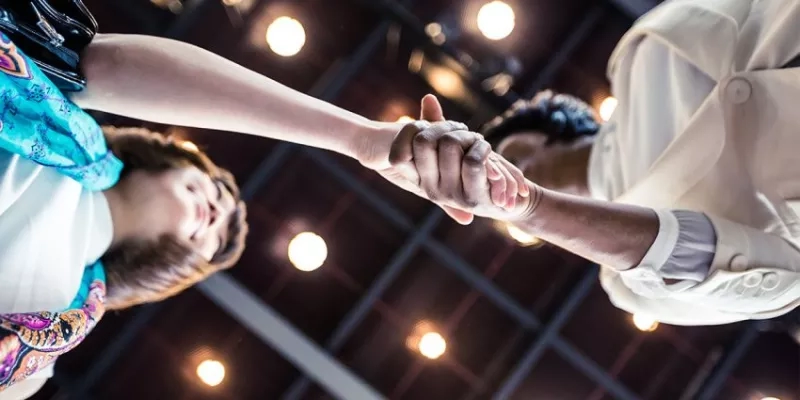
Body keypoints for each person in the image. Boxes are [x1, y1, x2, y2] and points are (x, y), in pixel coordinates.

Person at [0, 31, 524, 396]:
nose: (217, 209)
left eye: (213, 234)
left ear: (176, 268)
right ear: (163, 160)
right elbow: (100, 64)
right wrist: (363, 138)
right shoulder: (67, 116)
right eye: (212, 188)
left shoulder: (43, 354)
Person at [390, 0, 800, 327]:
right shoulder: (626, 280)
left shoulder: (634, 56)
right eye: (497, 201)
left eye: (507, 157)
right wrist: (530, 207)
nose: (502, 177)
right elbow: (773, 275)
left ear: (537, 130)